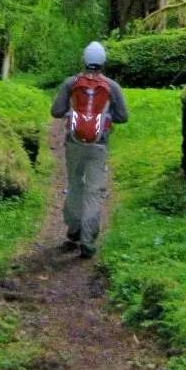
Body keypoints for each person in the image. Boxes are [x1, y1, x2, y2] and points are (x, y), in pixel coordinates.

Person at [50, 41, 128, 258]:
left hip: (74, 143)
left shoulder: (70, 83)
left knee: (75, 184)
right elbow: (123, 117)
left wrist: (73, 110)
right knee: (94, 191)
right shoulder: (112, 86)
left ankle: (74, 229)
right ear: (103, 62)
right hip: (99, 144)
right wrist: (106, 115)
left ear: (84, 59)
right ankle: (88, 241)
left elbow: (56, 111)